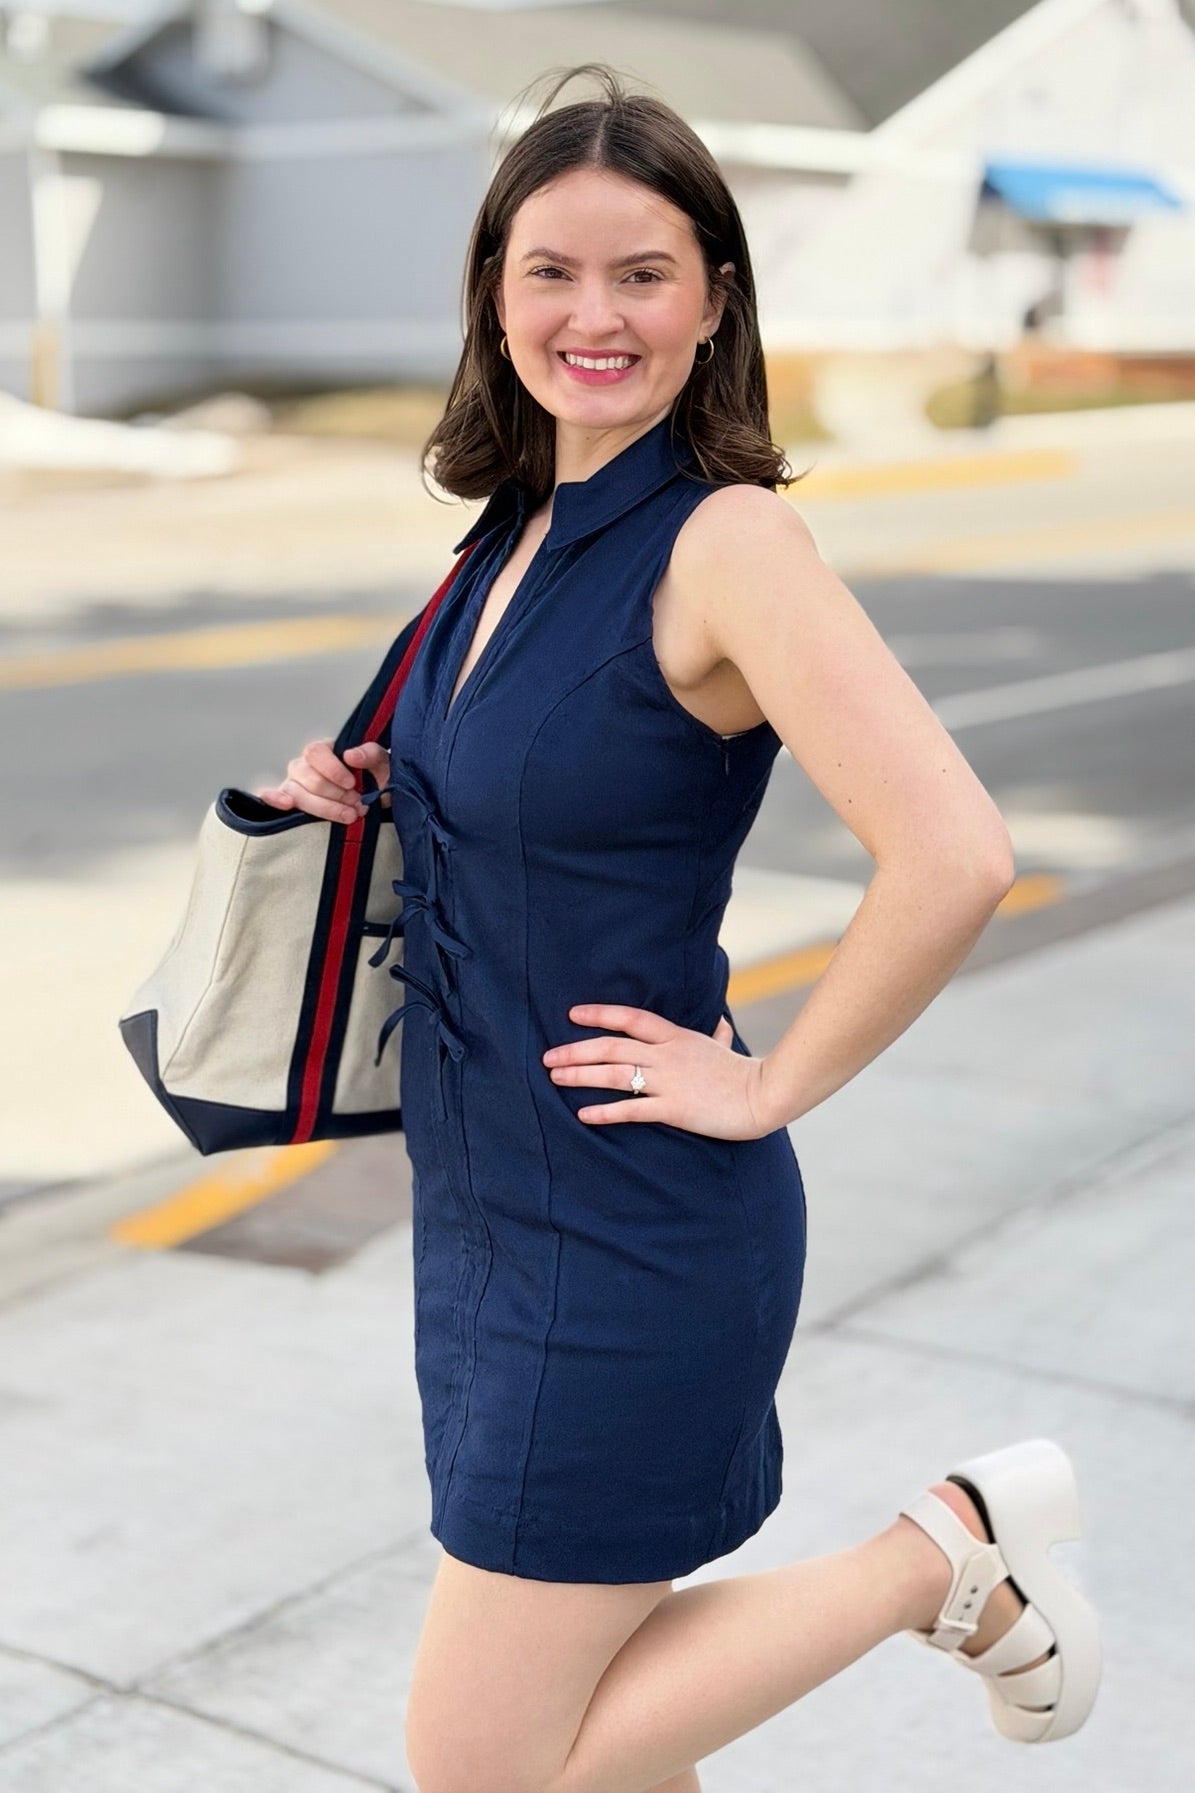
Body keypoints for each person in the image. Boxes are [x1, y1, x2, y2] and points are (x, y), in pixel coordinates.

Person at [256, 64, 1101, 1793]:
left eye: (643, 272)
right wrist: (371, 783)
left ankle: (939, 1554)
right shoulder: (510, 536)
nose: (594, 314)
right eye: (550, 270)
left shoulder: (727, 543)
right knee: (615, 1757)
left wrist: (770, 1082)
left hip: (631, 1224)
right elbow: (527, 796)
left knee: (485, 1757)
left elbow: (954, 851)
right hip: (488, 1215)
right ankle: (942, 1558)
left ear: (715, 298)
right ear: (494, 295)